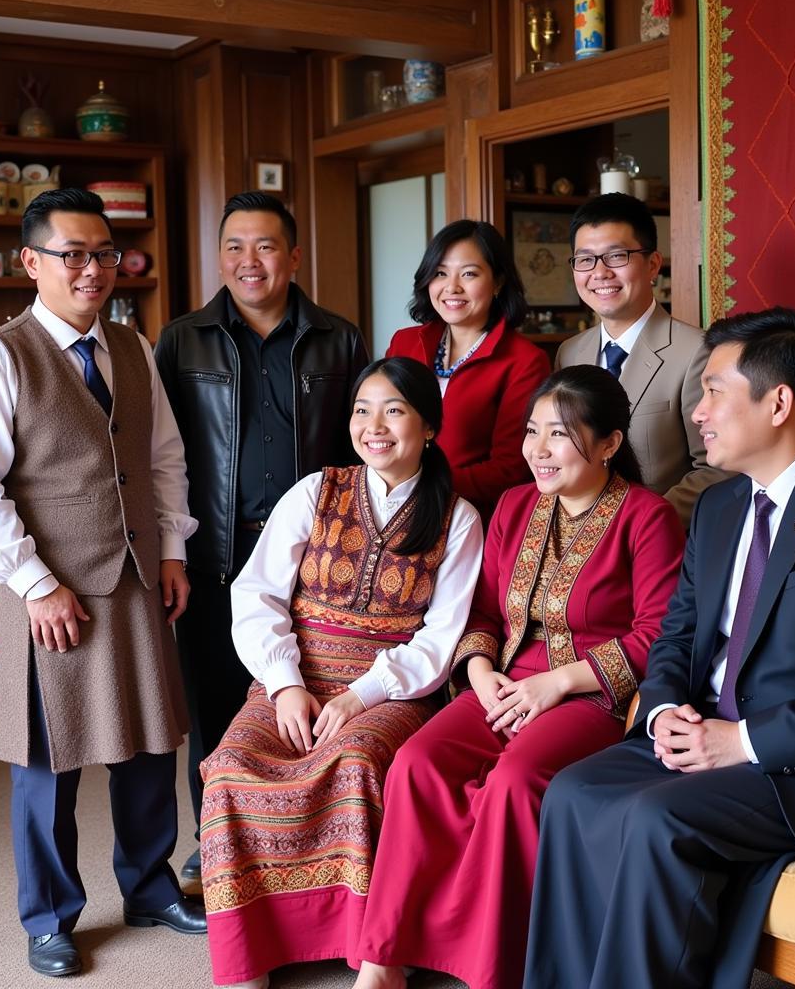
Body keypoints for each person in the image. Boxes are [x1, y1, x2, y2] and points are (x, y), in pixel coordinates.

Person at [524, 307, 795, 989]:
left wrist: (742, 741)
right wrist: (661, 713)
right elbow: (676, 637)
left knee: (656, 819)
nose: (698, 411)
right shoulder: (719, 510)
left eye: (715, 390)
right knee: (570, 792)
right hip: (710, 741)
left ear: (778, 402)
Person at [353, 365, 686, 989]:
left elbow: (658, 636)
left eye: (559, 434)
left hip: (593, 696)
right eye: (532, 432)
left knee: (513, 782)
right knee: (416, 763)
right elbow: (481, 612)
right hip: (503, 682)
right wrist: (479, 672)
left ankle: (492, 969)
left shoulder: (648, 517)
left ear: (610, 442)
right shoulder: (512, 505)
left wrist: (559, 684)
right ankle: (384, 955)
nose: (538, 449)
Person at [0, 188, 205, 979]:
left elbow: (163, 457)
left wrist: (171, 550)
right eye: (74, 255)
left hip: (133, 577)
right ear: (32, 262)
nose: (93, 270)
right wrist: (33, 582)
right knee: (47, 767)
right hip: (49, 589)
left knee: (149, 747)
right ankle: (49, 917)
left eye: (104, 254)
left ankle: (151, 888)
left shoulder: (132, 345)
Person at [198, 357, 484, 989]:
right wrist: (285, 683)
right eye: (362, 409)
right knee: (229, 767)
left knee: (354, 763)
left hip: (390, 689)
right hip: (294, 674)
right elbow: (257, 594)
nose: (373, 426)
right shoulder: (315, 490)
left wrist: (361, 695)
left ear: (429, 426)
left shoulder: (457, 518)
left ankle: (368, 947)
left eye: (394, 410)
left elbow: (442, 637)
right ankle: (250, 951)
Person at [154, 191, 369, 879]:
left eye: (267, 246)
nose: (250, 262)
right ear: (220, 257)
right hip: (218, 552)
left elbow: (359, 448)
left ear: (295, 256)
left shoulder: (339, 338)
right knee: (216, 702)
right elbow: (164, 454)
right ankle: (211, 843)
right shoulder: (183, 339)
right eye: (235, 247)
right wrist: (170, 548)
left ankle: (300, 844)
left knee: (308, 696)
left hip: (313, 560)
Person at [555, 193, 724, 525]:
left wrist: (636, 525)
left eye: (616, 256)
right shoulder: (569, 353)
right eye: (585, 259)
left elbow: (717, 468)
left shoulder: (698, 351)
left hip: (659, 542)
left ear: (653, 265)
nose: (600, 273)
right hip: (579, 539)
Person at [387, 219, 550, 524]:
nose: (452, 287)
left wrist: (421, 486)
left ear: (498, 281)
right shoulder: (404, 342)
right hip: (394, 511)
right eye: (440, 273)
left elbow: (510, 467)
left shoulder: (525, 361)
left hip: (471, 520)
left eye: (469, 274)